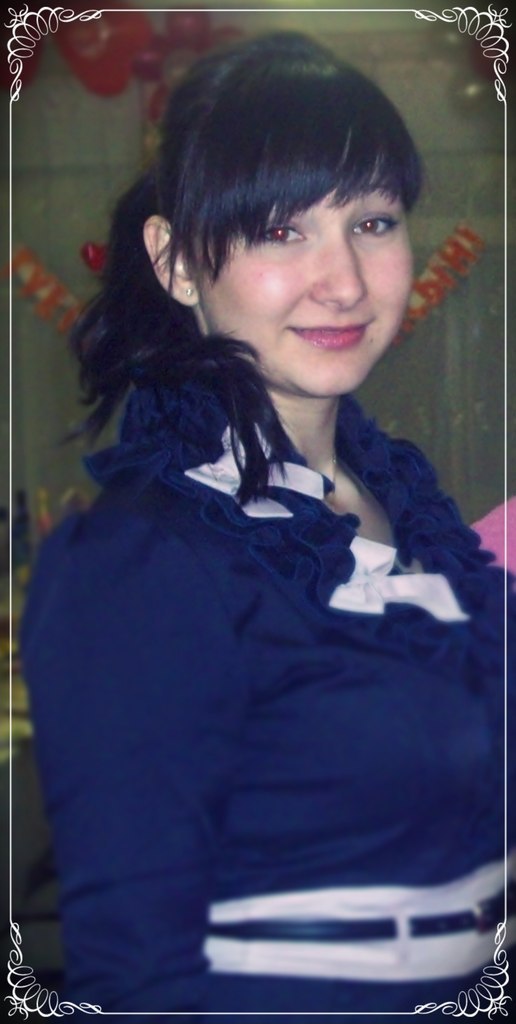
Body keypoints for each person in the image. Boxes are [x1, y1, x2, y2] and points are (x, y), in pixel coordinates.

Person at [19, 30, 515, 1021]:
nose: (344, 280)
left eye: (372, 222)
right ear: (174, 261)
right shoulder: (144, 557)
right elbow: (139, 972)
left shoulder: (409, 512)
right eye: (280, 230)